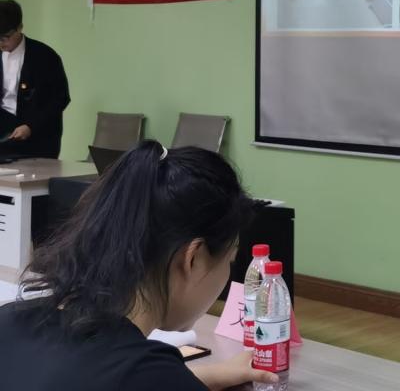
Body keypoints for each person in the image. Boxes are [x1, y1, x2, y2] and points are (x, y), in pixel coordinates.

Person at [0, 141, 280, 391]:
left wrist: (202, 376)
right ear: (192, 258)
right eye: (230, 260)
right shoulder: (150, 374)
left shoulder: (10, 321)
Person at [0, 0, 70, 158]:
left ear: (19, 28)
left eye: (5, 38)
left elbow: (60, 98)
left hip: (37, 137)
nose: (0, 44)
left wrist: (31, 126)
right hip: (4, 135)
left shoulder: (45, 56)